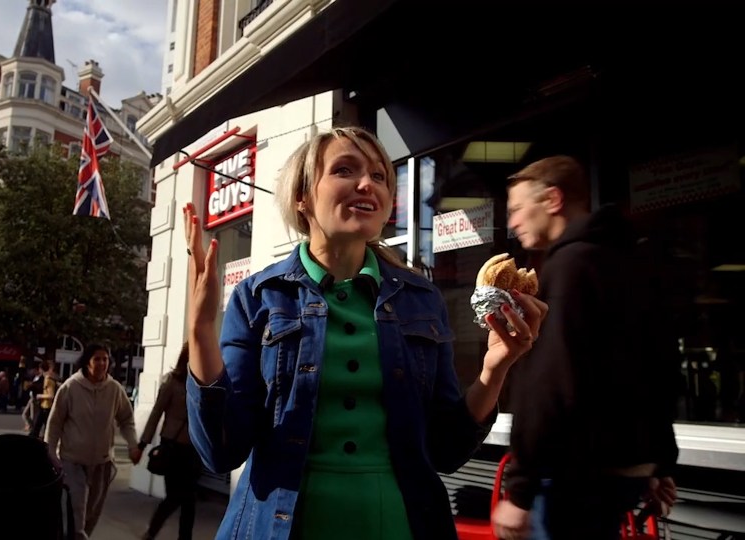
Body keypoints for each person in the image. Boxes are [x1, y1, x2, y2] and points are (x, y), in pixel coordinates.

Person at [182, 126, 547, 540]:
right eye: (344, 169)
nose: (366, 184)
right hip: (279, 527)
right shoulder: (260, 296)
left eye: (379, 176)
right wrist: (200, 329)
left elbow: (446, 449)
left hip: (396, 523)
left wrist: (494, 370)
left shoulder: (421, 298)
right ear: (302, 196)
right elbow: (220, 451)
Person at [492, 155, 680, 540]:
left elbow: (550, 382)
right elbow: (662, 366)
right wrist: (659, 462)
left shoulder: (570, 265)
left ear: (553, 200)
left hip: (571, 478)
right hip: (625, 473)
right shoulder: (632, 261)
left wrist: (521, 488)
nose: (512, 223)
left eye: (517, 208)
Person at [44, 344, 142, 540]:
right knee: (77, 509)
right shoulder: (70, 387)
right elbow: (54, 424)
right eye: (97, 359)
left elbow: (126, 419)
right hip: (73, 460)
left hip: (102, 462)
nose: (102, 363)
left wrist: (133, 444)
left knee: (92, 512)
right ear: (87, 362)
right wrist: (51, 453)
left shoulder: (114, 389)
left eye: (105, 359)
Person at [139, 342, 203, 540]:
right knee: (175, 497)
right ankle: (151, 532)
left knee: (190, 500)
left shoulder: (204, 384)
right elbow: (156, 412)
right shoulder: (173, 382)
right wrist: (143, 444)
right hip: (172, 447)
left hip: (193, 449)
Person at [29, 360, 57, 439]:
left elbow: (51, 395)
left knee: (43, 427)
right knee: (38, 426)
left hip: (47, 407)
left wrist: (40, 396)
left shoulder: (48, 380)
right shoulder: (46, 379)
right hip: (44, 406)